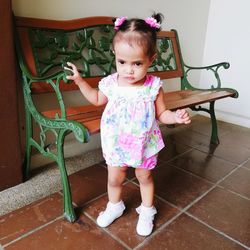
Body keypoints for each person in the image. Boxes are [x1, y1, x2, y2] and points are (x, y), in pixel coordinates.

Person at [65, 13, 191, 236]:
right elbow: (96, 99)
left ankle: (147, 210)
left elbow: (162, 114)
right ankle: (115, 205)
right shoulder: (111, 83)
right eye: (122, 62)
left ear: (151, 59)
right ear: (115, 55)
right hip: (116, 142)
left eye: (137, 63)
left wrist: (175, 117)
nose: (128, 70)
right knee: (115, 178)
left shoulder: (153, 86)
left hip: (144, 143)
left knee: (144, 176)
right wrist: (80, 81)